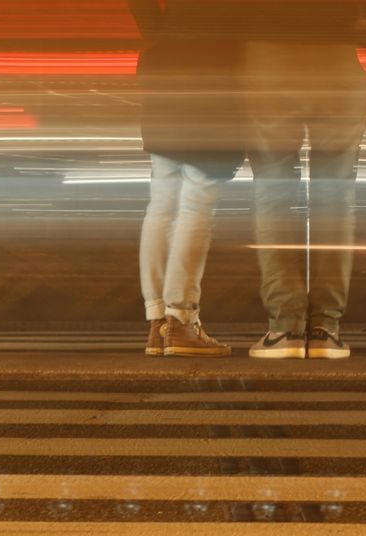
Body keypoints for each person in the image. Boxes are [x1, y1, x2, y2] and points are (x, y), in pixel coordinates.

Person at [241, 1, 366, 359]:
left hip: (268, 53)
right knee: (335, 196)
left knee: (273, 190)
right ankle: (325, 330)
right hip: (339, 51)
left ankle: (285, 326)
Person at [130, 0, 247, 358]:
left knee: (163, 203)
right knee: (197, 202)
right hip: (218, 70)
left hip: (166, 68)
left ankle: (158, 322)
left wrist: (158, 35)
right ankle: (180, 319)